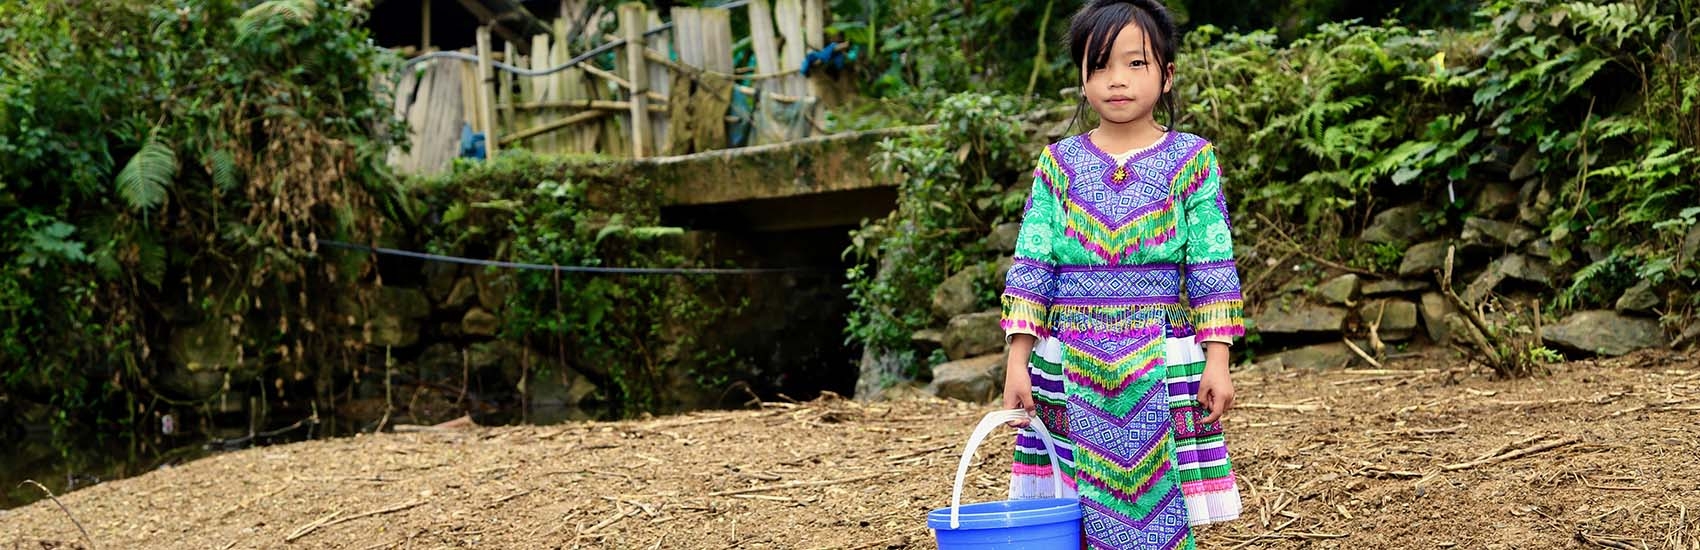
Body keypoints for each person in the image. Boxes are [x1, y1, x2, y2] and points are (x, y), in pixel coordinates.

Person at [999, 1, 1245, 547]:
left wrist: (1218, 361)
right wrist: (1018, 362)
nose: (1117, 81)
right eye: (1100, 64)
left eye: (1136, 64)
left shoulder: (1193, 160)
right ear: (1082, 79)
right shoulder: (1057, 165)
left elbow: (1212, 262)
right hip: (1067, 360)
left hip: (1164, 358)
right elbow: (1032, 263)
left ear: (1167, 74)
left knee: (1165, 510)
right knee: (1074, 517)